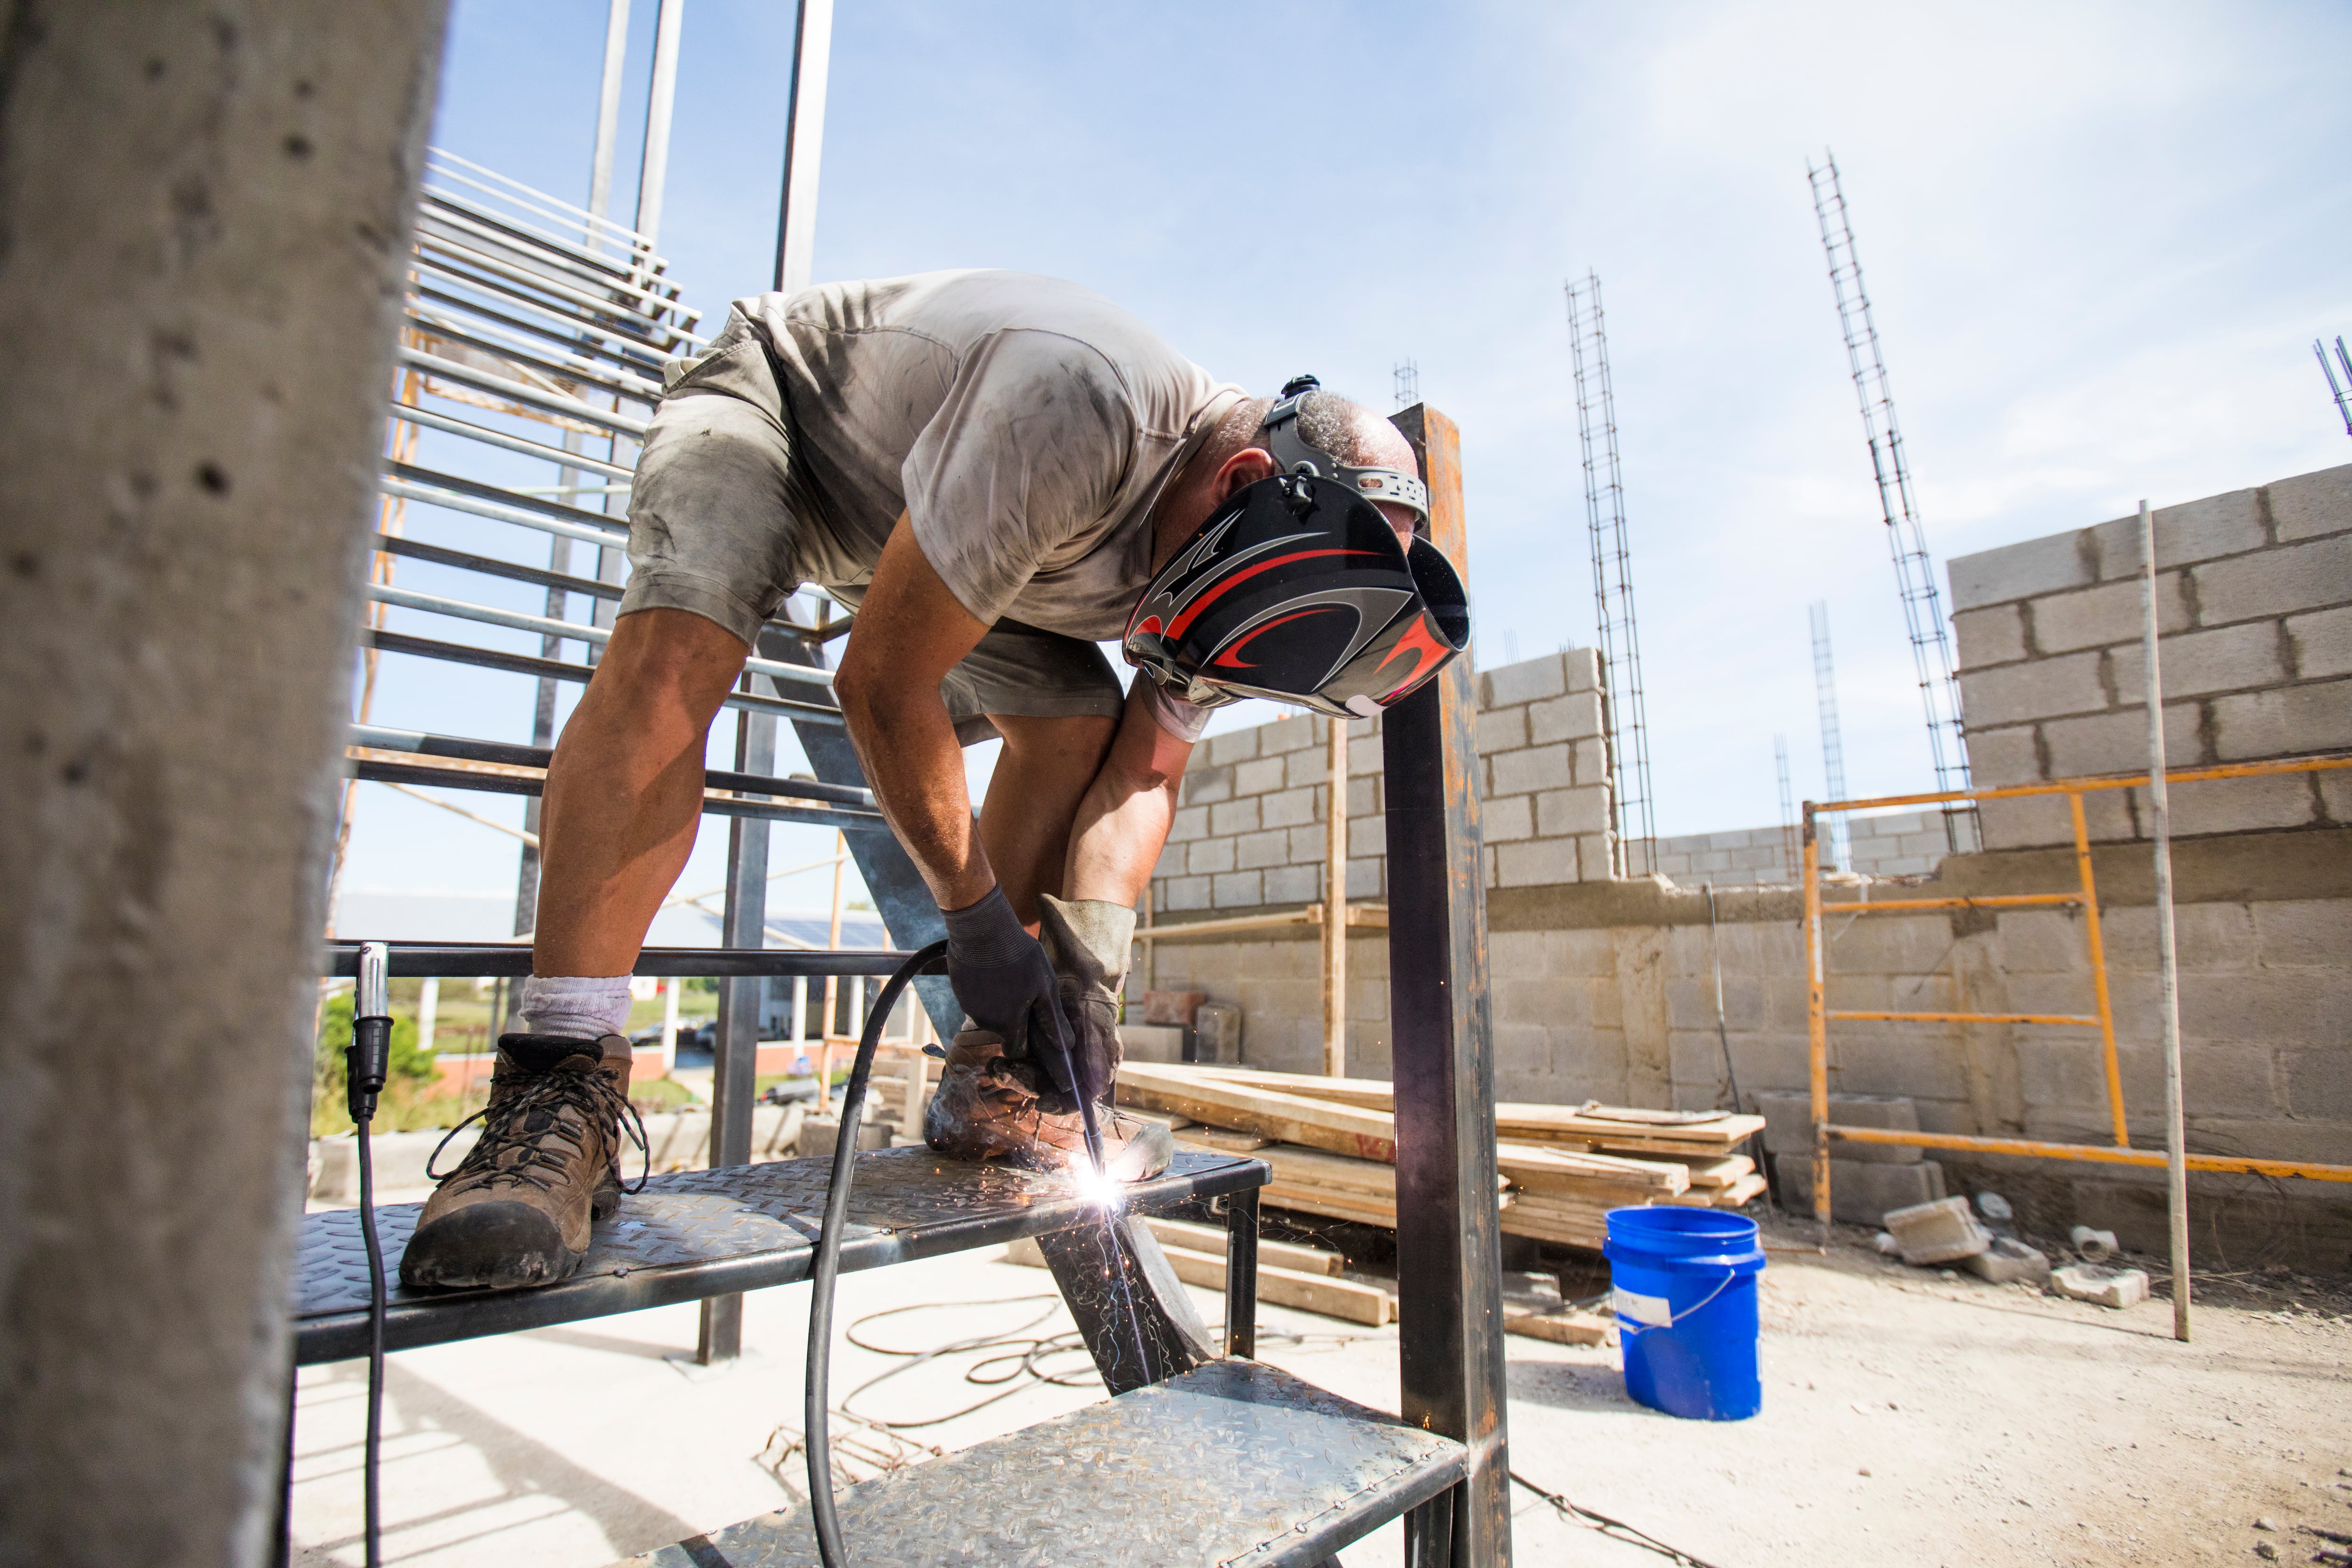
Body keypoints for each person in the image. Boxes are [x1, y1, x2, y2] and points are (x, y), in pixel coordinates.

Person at [399, 271, 1466, 1290]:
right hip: (784, 423)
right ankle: (556, 1083)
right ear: (1239, 482)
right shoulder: (1081, 407)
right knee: (685, 647)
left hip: (937, 534)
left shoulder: (1271, 575)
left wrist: (1090, 968)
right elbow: (881, 680)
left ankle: (990, 1082)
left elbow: (1142, 766)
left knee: (1081, 719)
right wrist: (979, 923)